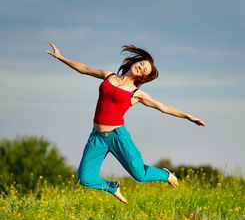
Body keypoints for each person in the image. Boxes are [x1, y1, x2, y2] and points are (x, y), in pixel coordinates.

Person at [47, 43, 207, 204]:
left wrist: (188, 116)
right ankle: (112, 187)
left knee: (140, 175)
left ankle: (165, 175)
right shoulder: (109, 76)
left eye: (145, 71)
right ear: (135, 62)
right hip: (97, 137)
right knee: (85, 178)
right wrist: (61, 57)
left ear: (143, 78)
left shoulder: (136, 94)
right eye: (142, 64)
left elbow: (162, 106)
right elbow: (84, 68)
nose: (142, 68)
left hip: (118, 137)